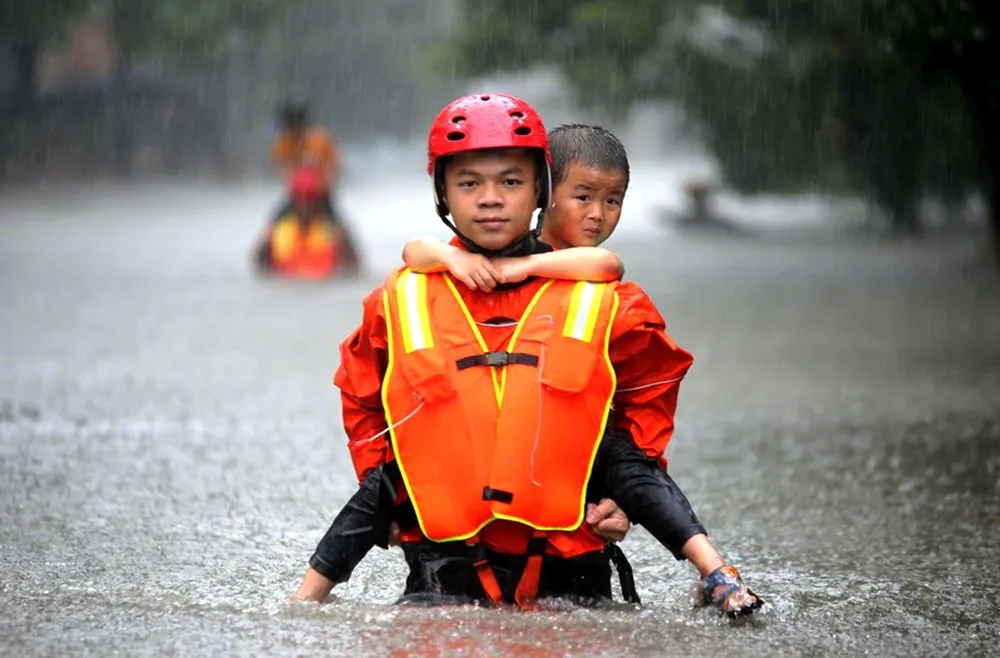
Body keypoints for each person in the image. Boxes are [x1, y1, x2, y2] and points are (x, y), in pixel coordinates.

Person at [289, 94, 761, 616]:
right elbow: (364, 406)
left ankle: (716, 572)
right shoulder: (400, 299)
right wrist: (403, 505)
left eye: (510, 182)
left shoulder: (608, 300)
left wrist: (621, 503)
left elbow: (644, 402)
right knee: (388, 480)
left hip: (572, 570)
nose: (491, 199)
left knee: (622, 460)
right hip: (443, 573)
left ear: (540, 188)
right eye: (469, 183)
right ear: (443, 193)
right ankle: (299, 604)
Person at [268, 101, 360, 272]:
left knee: (338, 227)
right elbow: (281, 170)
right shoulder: (282, 145)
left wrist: (324, 183)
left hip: (320, 195)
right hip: (295, 195)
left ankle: (353, 262)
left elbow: (335, 168)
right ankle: (267, 260)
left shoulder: (320, 140)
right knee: (272, 225)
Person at [254, 167, 346, 278]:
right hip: (286, 286)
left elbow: (352, 269)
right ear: (293, 201)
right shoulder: (278, 230)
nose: (305, 205)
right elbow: (259, 267)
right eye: (300, 198)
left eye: (310, 198)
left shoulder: (333, 231)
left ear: (319, 201)